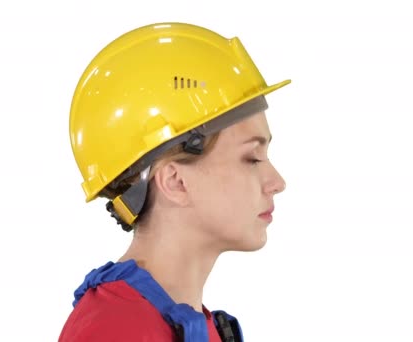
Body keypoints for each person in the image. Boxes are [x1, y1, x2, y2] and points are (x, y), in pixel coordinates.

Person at [58, 22, 291, 342]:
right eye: (252, 158)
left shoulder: (183, 323)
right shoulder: (115, 329)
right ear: (176, 181)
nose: (277, 182)